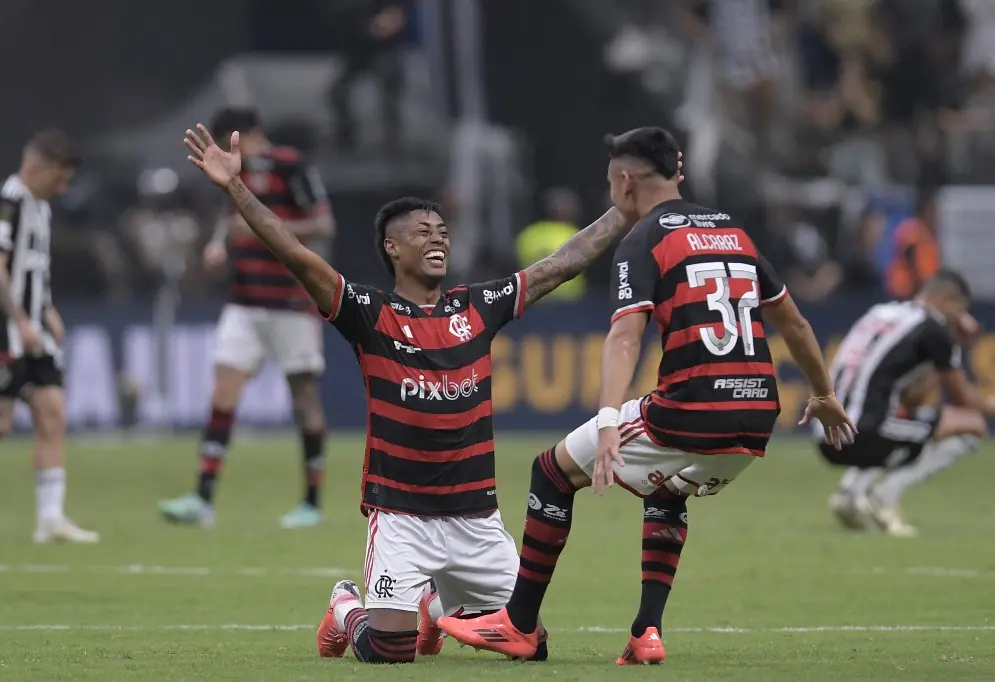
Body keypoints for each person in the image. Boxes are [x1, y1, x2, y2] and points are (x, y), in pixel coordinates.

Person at [182, 123, 648, 664]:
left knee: (532, 647)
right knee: (389, 650)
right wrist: (236, 188)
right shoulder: (369, 313)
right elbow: (295, 254)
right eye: (423, 232)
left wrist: (624, 213)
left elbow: (562, 264)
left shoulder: (478, 306)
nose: (438, 240)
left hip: (476, 519)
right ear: (393, 247)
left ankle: (434, 605)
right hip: (402, 517)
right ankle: (344, 606)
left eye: (443, 232)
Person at [437, 127, 856, 664]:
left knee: (551, 472)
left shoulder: (644, 240)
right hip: (756, 416)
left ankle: (518, 626)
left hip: (691, 410)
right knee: (667, 491)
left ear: (625, 181)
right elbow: (793, 322)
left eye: (611, 182)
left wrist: (608, 420)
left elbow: (625, 336)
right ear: (677, 172)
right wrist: (824, 393)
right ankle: (646, 633)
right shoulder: (733, 233)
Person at [159, 107, 336, 529]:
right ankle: (203, 499)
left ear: (253, 133)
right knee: (223, 392)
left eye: (232, 140)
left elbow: (324, 225)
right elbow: (232, 218)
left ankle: (311, 502)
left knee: (304, 400)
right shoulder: (233, 170)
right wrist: (219, 243)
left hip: (291, 301)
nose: (229, 148)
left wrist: (266, 227)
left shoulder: (291, 166)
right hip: (244, 301)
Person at [818, 270, 995, 537]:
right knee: (972, 426)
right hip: (863, 433)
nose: (960, 317)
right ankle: (884, 497)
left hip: (824, 433)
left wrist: (947, 348)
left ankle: (850, 492)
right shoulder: (933, 327)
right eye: (960, 310)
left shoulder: (880, 313)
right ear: (947, 299)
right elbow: (963, 397)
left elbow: (912, 398)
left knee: (903, 419)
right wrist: (991, 405)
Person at [0, 130, 98, 543]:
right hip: (8, 330)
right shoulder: (9, 203)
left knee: (52, 413)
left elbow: (32, 269)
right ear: (37, 168)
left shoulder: (40, 207)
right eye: (59, 179)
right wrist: (19, 319)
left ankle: (50, 519)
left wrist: (46, 310)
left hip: (33, 329)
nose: (63, 189)